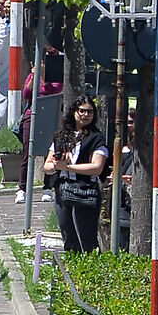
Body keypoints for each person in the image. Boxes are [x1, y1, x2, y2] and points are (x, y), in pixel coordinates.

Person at [43, 94, 110, 255]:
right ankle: (71, 266)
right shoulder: (61, 136)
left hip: (86, 190)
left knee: (86, 235)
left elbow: (97, 167)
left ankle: (89, 268)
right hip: (63, 189)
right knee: (67, 231)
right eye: (82, 111)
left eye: (90, 112)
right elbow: (47, 166)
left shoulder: (96, 138)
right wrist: (56, 166)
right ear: (73, 112)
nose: (86, 115)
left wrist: (69, 167)